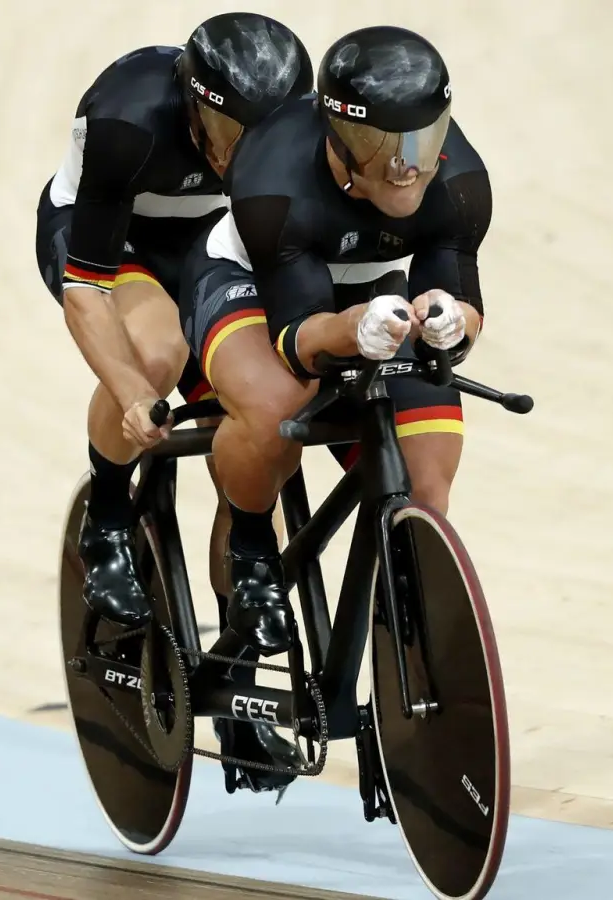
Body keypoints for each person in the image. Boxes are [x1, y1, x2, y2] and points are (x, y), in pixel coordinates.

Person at [180, 25, 490, 663]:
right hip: (254, 281)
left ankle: (397, 652)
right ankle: (250, 544)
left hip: (369, 290)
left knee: (425, 488)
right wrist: (354, 329)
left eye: (423, 140)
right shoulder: (272, 181)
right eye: (380, 146)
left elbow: (461, 301)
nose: (406, 165)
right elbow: (298, 341)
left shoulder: (459, 183)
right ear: (338, 139)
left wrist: (450, 320)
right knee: (274, 409)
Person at [36, 14, 313, 632]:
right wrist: (134, 393)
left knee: (250, 441)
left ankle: (235, 672)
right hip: (114, 243)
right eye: (226, 129)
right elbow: (87, 289)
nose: (240, 152)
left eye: (262, 136)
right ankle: (106, 520)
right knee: (156, 354)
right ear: (191, 101)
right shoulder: (126, 118)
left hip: (205, 250)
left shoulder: (302, 138)